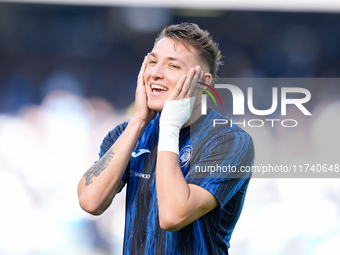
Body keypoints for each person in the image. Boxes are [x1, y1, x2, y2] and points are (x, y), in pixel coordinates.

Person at [78, 22, 254, 254]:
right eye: (152, 62)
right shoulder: (128, 133)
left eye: (173, 66)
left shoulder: (230, 141)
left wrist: (170, 126)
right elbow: (91, 201)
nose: (156, 73)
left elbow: (172, 215)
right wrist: (139, 121)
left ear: (203, 82)